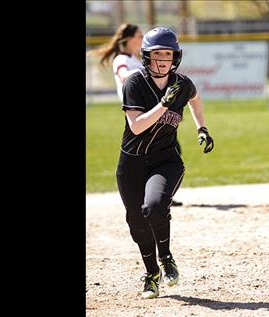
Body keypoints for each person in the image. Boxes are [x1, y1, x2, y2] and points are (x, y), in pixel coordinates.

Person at [115, 27, 214, 299]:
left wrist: (201, 128)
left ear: (176, 57)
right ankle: (151, 274)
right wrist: (164, 104)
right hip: (132, 163)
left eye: (168, 54)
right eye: (157, 54)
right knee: (136, 222)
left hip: (166, 160)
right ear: (146, 57)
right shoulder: (134, 83)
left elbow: (195, 98)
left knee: (155, 206)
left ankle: (167, 258)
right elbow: (135, 127)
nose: (162, 60)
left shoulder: (182, 83)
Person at [88, 23, 184, 206]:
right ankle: (155, 194)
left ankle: (161, 193)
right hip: (138, 110)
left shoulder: (137, 59)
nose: (141, 39)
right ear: (129, 39)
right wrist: (140, 76)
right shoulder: (122, 59)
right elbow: (124, 74)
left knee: (169, 149)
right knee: (152, 152)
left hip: (155, 109)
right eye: (138, 36)